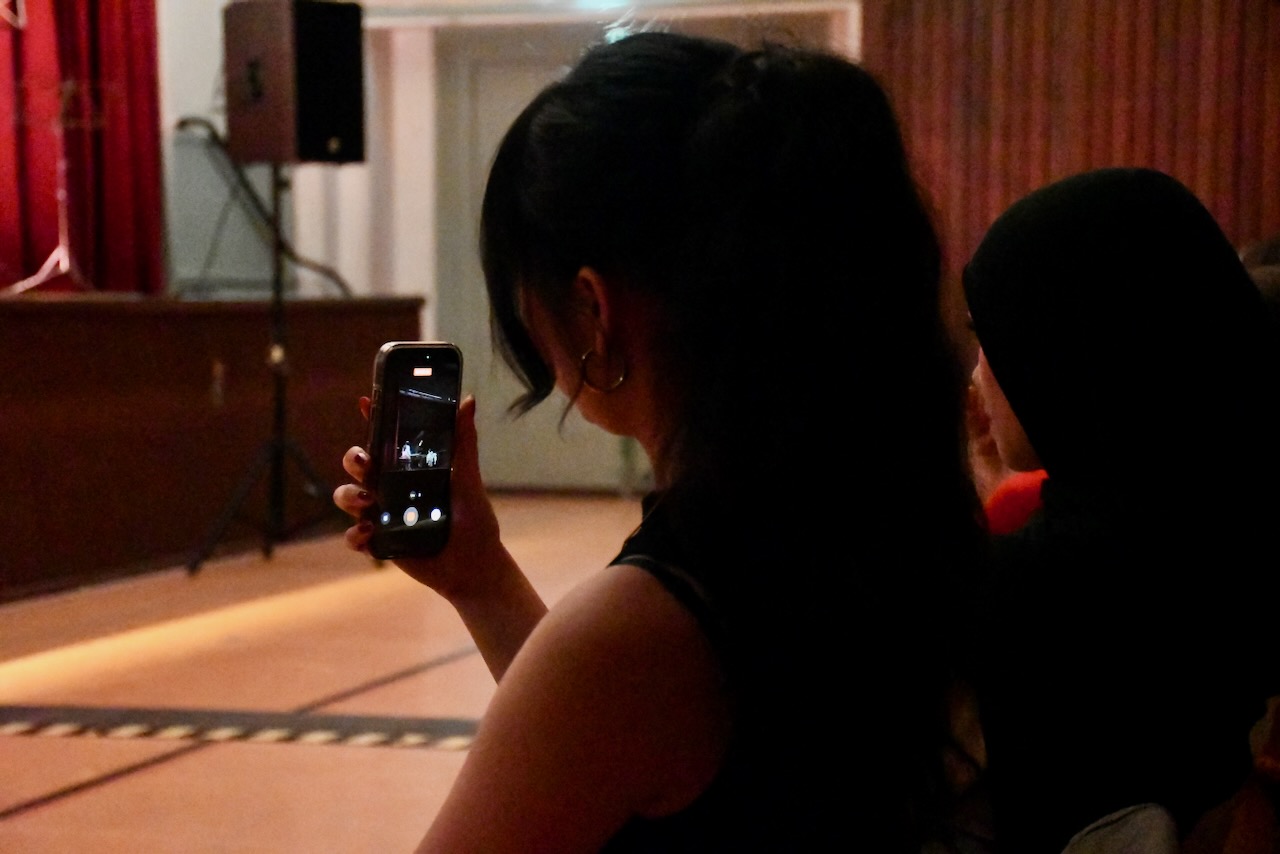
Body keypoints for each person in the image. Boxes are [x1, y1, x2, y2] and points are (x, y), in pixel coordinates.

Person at [335, 30, 988, 853]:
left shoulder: (640, 636)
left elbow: (619, 705)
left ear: (593, 309)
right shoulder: (894, 520)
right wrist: (483, 581)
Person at [961, 167, 1280, 853]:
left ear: (1068, 346)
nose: (979, 369)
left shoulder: (1035, 593)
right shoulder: (1237, 543)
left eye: (991, 334)